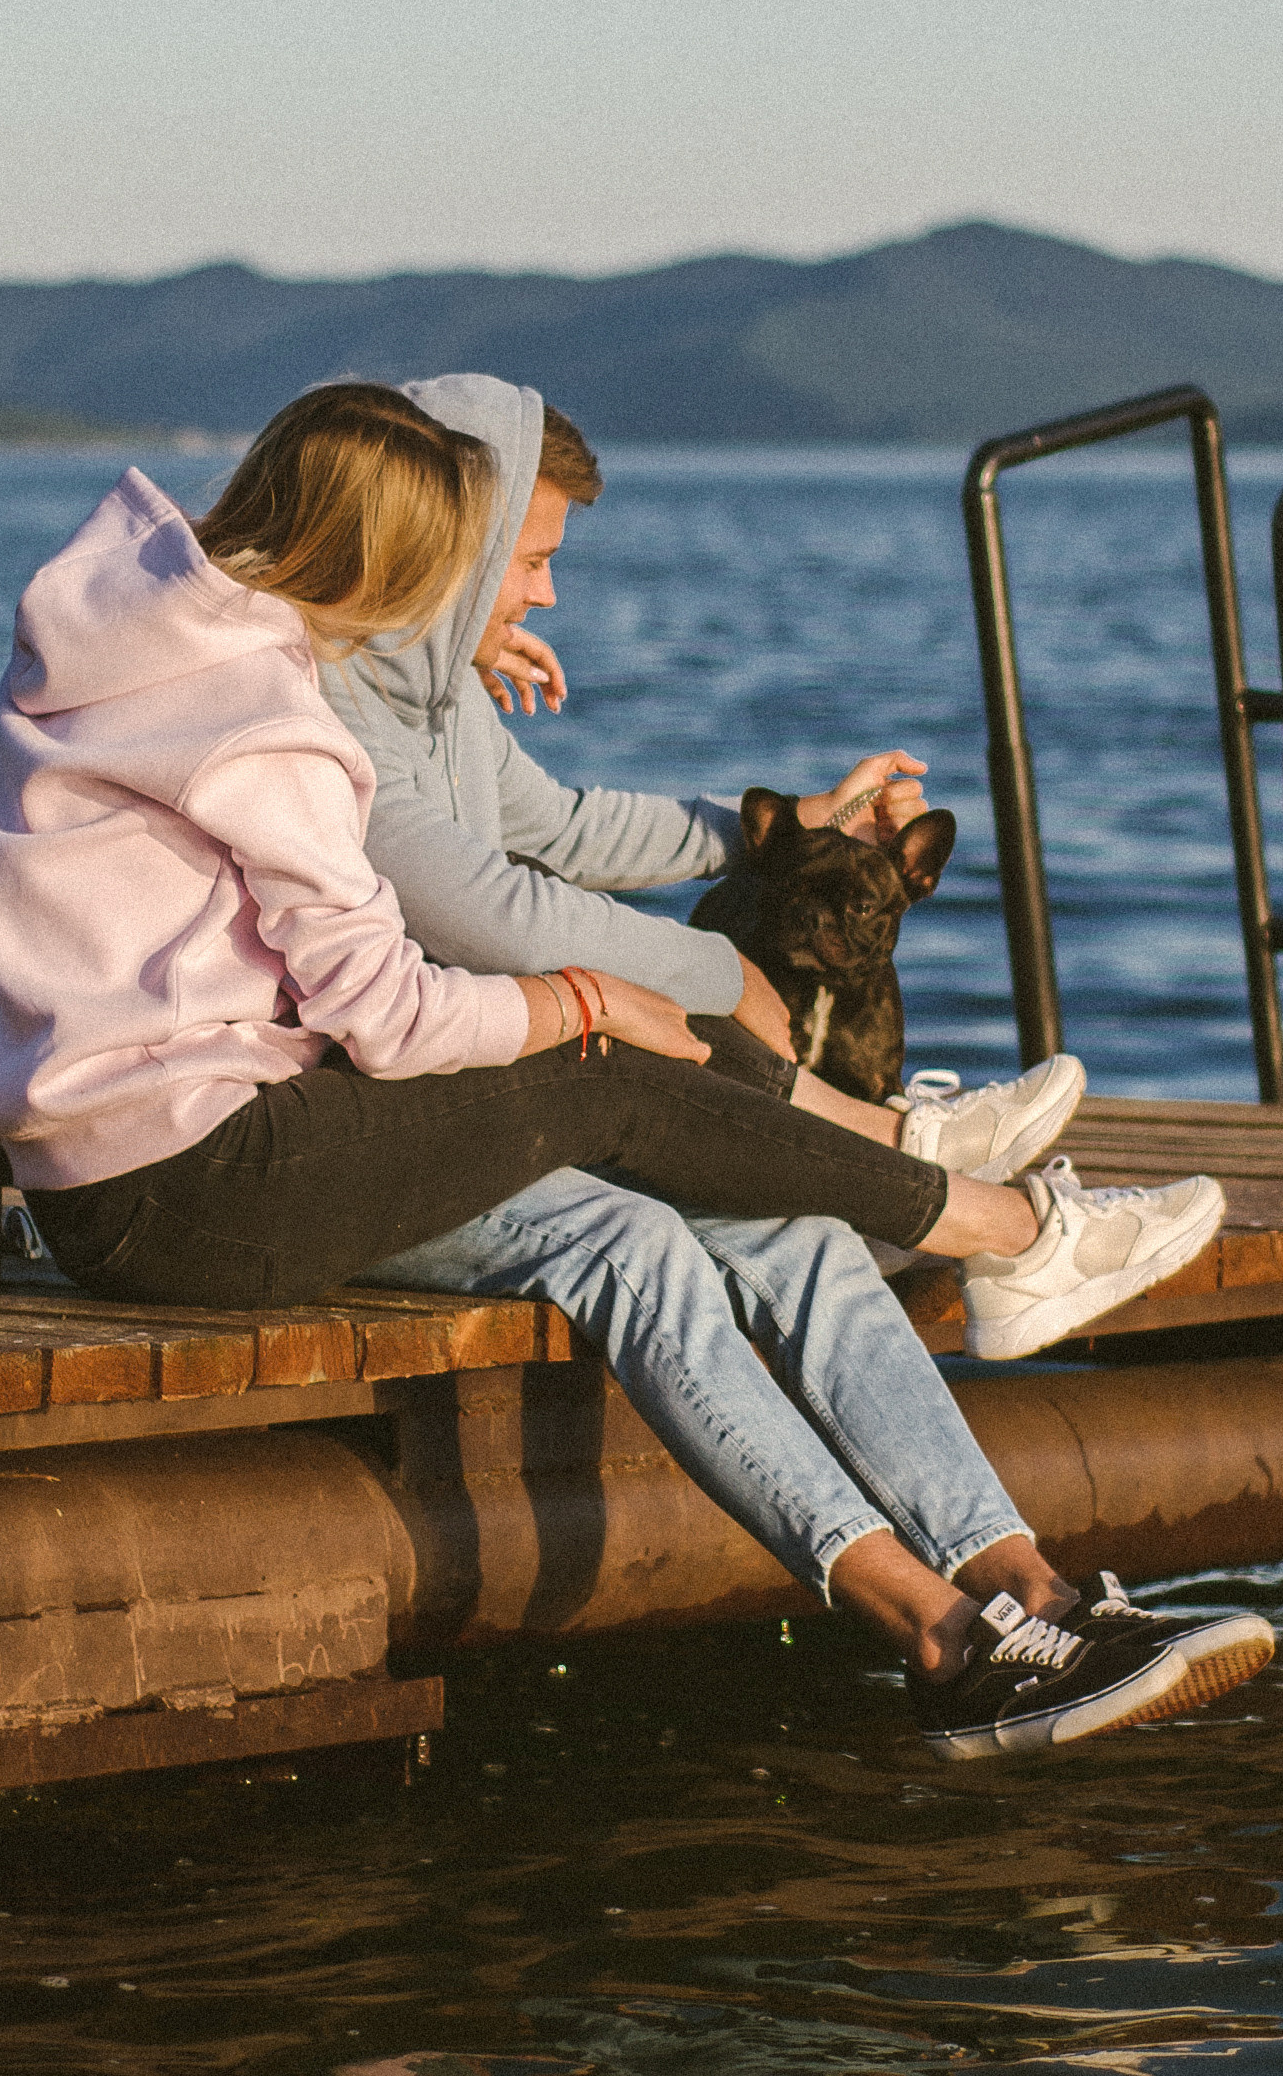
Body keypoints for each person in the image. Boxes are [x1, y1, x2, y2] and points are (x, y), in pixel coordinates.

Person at [0, 378, 1272, 1760]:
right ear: (391, 561)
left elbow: (483, 886)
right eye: (469, 570)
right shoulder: (263, 717)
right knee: (613, 1099)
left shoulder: (148, 627)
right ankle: (981, 1377)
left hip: (238, 1122)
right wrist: (590, 999)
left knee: (783, 1229)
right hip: (183, 1173)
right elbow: (392, 1014)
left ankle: (1023, 1592)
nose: (488, 598)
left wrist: (585, 978)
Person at [323, 375, 1230, 1363]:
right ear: (460, 545)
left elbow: (566, 829)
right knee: (653, 1000)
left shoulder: (437, 696)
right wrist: (715, 974)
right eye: (531, 561)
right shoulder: (336, 712)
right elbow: (509, 916)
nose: (548, 593)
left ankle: (915, 1178)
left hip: (442, 1058)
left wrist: (798, 823)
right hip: (371, 1117)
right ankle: (951, 1191)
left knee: (665, 1010)